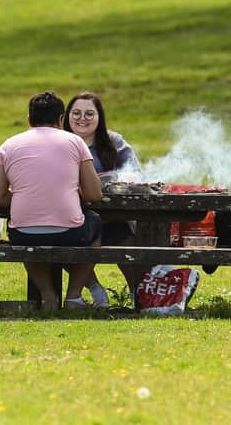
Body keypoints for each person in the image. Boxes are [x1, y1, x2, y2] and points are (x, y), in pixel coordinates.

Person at [0, 91, 103, 311]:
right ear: (61, 119)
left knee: (26, 233)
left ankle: (48, 295)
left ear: (29, 119)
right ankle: (73, 296)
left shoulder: (8, 145)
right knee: (95, 223)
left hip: (22, 233)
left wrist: (26, 194)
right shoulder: (75, 142)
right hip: (71, 232)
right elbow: (95, 194)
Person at [63, 91, 147, 304]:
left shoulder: (114, 142)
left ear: (99, 118)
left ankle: (137, 292)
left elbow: (137, 174)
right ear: (67, 116)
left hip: (113, 215)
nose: (82, 118)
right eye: (76, 113)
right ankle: (94, 288)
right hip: (69, 216)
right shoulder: (59, 143)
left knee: (126, 240)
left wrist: (117, 178)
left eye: (89, 113)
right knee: (61, 241)